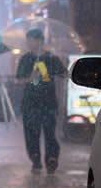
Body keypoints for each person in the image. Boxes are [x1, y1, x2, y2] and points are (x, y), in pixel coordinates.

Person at [15, 27, 67, 173]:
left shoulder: (51, 58)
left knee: (50, 133)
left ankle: (51, 158)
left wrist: (62, 63)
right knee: (32, 134)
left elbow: (64, 74)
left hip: (48, 102)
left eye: (31, 40)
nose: (29, 43)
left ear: (40, 41)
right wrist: (29, 79)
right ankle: (35, 159)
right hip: (30, 103)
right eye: (28, 40)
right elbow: (18, 79)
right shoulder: (25, 59)